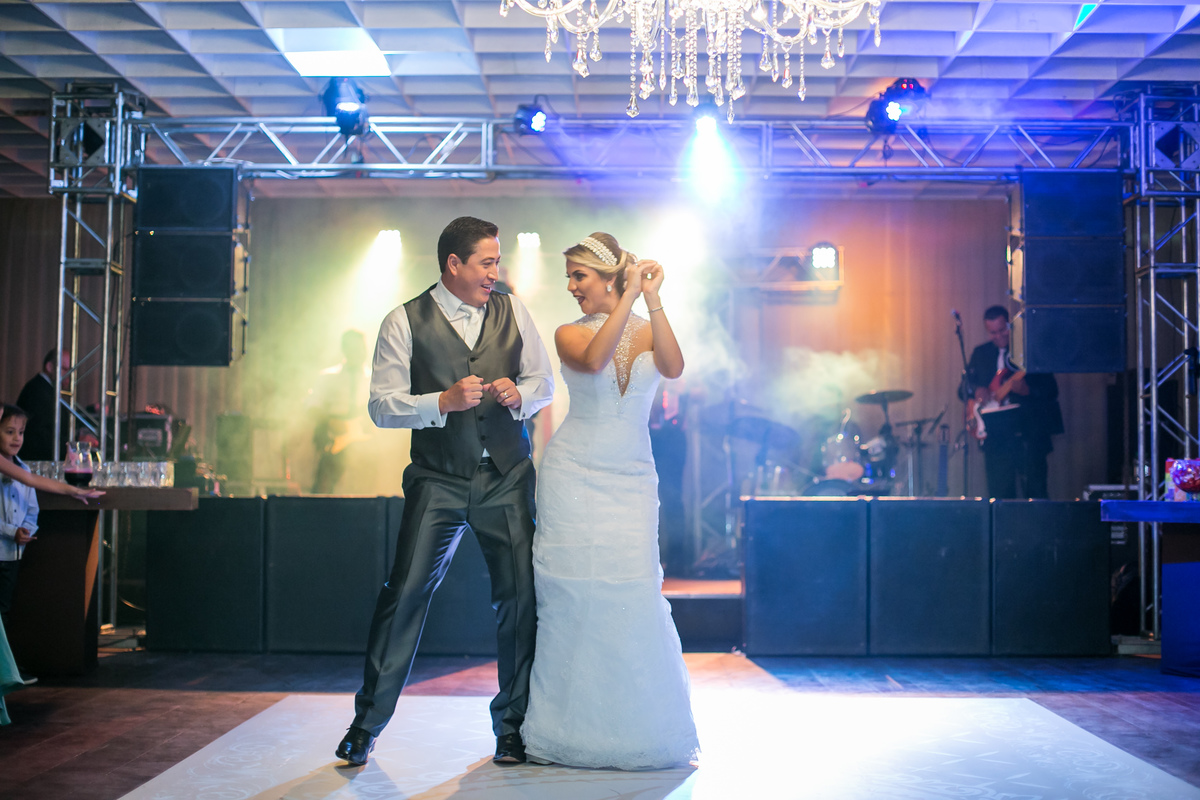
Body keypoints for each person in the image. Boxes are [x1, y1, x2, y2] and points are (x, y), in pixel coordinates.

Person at [335, 216, 554, 767]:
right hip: (437, 479)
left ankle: (512, 729)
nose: (495, 272)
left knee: (520, 599)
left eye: (498, 262)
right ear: (453, 264)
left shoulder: (513, 310)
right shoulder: (403, 320)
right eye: (487, 262)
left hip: (506, 476)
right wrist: (441, 402)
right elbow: (381, 406)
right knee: (404, 592)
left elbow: (544, 382)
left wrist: (520, 395)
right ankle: (365, 726)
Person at [520, 233, 700, 769]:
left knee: (634, 590)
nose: (571, 287)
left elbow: (673, 368)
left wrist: (652, 297)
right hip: (572, 474)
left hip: (632, 478)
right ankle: (569, 729)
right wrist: (629, 298)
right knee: (574, 594)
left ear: (608, 278)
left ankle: (637, 726)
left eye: (579, 276)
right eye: (570, 277)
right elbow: (596, 360)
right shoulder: (568, 332)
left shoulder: (646, 325)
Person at [966, 305, 1063, 499]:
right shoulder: (981, 353)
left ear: (1011, 325)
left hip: (1029, 434)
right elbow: (964, 387)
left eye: (1002, 330)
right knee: (1000, 498)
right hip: (996, 438)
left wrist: (1028, 391)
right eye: (993, 332)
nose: (998, 336)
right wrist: (976, 390)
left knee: (1035, 493)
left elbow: (1051, 390)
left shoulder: (1030, 352)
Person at [310, 330, 371, 493]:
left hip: (364, 440)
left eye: (362, 348)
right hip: (333, 437)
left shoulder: (375, 379)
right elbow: (313, 405)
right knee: (326, 486)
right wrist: (330, 422)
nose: (359, 352)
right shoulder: (328, 376)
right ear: (345, 349)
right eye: (354, 347)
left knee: (365, 488)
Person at [0, 406, 37, 632]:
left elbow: (32, 509)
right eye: (9, 432)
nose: (17, 438)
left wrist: (26, 529)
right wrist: (10, 531)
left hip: (13, 556)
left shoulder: (24, 470)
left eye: (21, 432)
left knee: (4, 610)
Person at [16, 350, 70, 462]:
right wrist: (73, 443)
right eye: (65, 369)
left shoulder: (45, 389)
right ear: (49, 367)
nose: (69, 375)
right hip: (36, 463)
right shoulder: (38, 391)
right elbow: (39, 435)